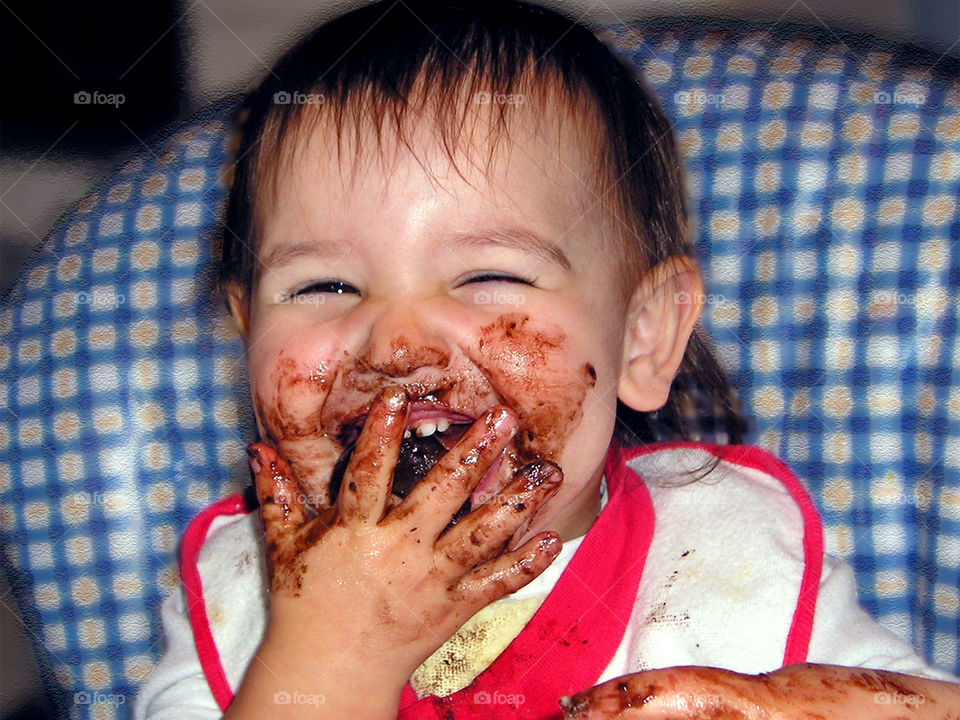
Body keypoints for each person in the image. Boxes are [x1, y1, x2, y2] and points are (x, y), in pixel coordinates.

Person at [134, 1, 959, 718]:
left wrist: (775, 706)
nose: (395, 345)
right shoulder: (241, 596)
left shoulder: (728, 557)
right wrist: (328, 657)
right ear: (248, 333)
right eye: (323, 285)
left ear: (642, 338)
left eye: (488, 275)